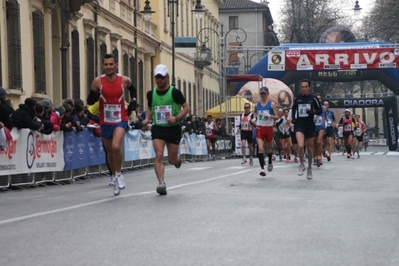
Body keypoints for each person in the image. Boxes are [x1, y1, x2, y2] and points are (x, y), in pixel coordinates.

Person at [87, 53, 133, 196]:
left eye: (111, 64)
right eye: (106, 64)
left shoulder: (124, 80)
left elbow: (133, 89)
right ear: (102, 66)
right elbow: (90, 101)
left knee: (115, 146)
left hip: (121, 119)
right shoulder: (97, 82)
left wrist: (134, 102)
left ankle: (119, 174)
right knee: (110, 152)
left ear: (116, 65)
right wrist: (94, 95)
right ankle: (113, 174)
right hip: (105, 121)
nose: (108, 67)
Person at [142, 64, 190, 196]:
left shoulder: (175, 92)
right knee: (158, 154)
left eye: (162, 77)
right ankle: (161, 183)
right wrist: (147, 118)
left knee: (171, 160)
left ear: (167, 77)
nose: (159, 80)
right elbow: (150, 108)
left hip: (173, 128)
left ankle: (177, 159)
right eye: (157, 77)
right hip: (158, 128)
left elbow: (186, 108)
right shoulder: (151, 94)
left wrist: (176, 117)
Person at [291, 79, 322, 179]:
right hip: (299, 124)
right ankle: (301, 165)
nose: (304, 89)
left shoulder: (313, 98)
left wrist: (312, 112)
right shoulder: (297, 98)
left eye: (305, 87)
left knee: (309, 148)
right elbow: (294, 108)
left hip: (309, 125)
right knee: (300, 146)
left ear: (309, 87)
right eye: (302, 87)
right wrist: (293, 118)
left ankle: (309, 168)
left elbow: (320, 110)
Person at [254, 86, 278, 177]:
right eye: (261, 94)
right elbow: (255, 112)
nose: (263, 95)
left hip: (269, 128)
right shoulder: (257, 105)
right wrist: (254, 119)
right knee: (260, 148)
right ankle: (262, 169)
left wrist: (270, 116)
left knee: (268, 149)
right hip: (260, 127)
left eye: (264, 93)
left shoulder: (272, 104)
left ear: (268, 94)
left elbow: (277, 117)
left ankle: (270, 161)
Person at [313, 93, 326, 167]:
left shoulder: (323, 107)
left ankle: (319, 157)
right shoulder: (312, 107)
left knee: (319, 141)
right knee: (314, 144)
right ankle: (315, 156)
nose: (318, 99)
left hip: (321, 126)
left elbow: (325, 116)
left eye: (319, 98)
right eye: (317, 98)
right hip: (314, 126)